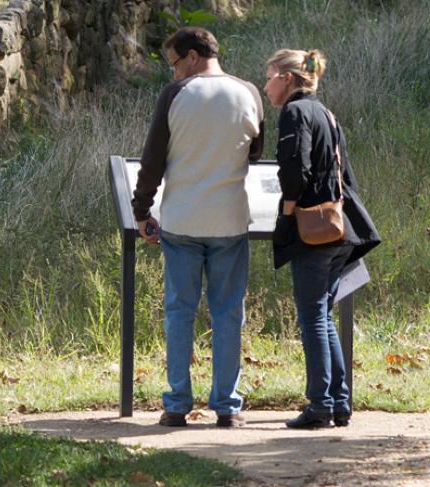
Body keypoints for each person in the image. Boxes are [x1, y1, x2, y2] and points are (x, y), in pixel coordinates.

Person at [132, 27, 264, 428]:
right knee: (227, 314)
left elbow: (152, 160)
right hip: (229, 219)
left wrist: (142, 210)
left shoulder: (176, 96)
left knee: (178, 312)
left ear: (191, 56)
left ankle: (176, 404)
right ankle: (227, 406)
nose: (173, 73)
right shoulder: (249, 93)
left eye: (174, 64)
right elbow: (255, 152)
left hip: (182, 219)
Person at [263, 49, 380, 429]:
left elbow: (295, 168)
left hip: (313, 230)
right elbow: (346, 176)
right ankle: (338, 402)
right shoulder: (326, 112)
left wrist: (287, 213)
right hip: (339, 228)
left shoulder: (295, 113)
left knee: (312, 315)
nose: (265, 86)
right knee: (321, 315)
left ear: (287, 78)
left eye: (269, 77)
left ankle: (319, 406)